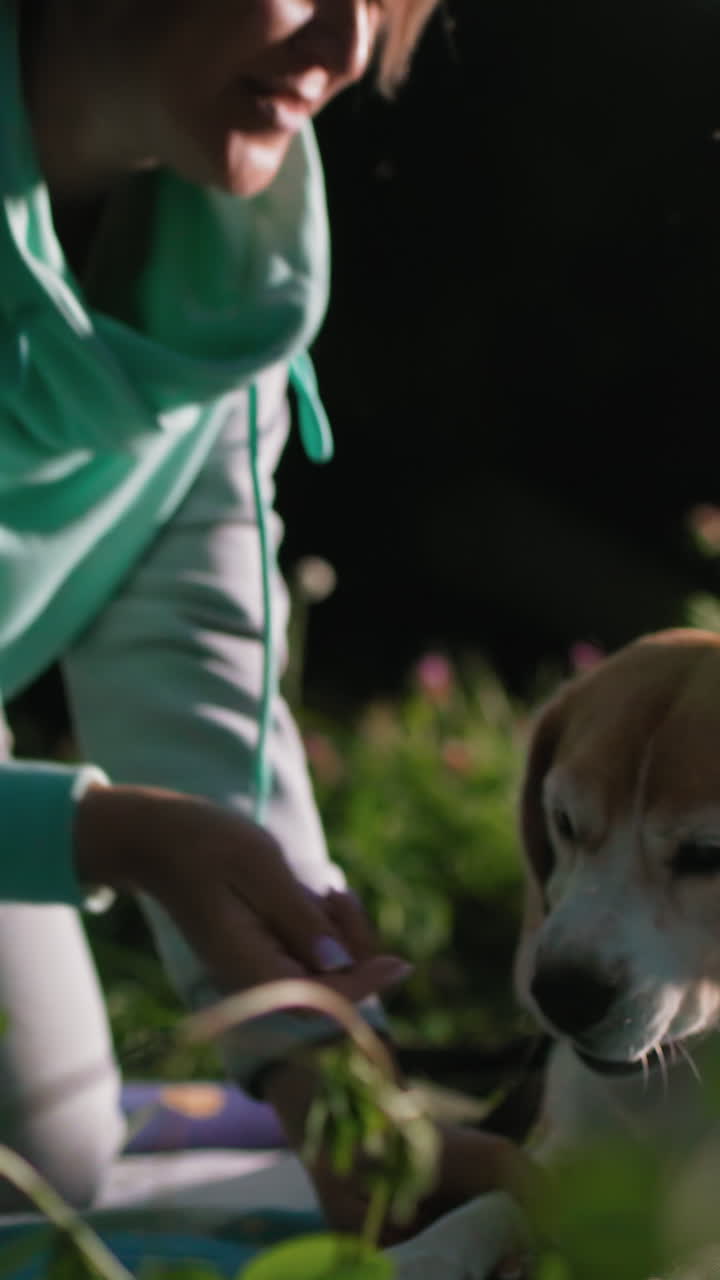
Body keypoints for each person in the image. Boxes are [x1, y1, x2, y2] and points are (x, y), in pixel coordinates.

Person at [0, 0, 531, 1246]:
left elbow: (192, 653)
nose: (346, 49)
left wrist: (324, 1078)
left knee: (62, 1161)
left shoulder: (232, 270)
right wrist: (99, 832)